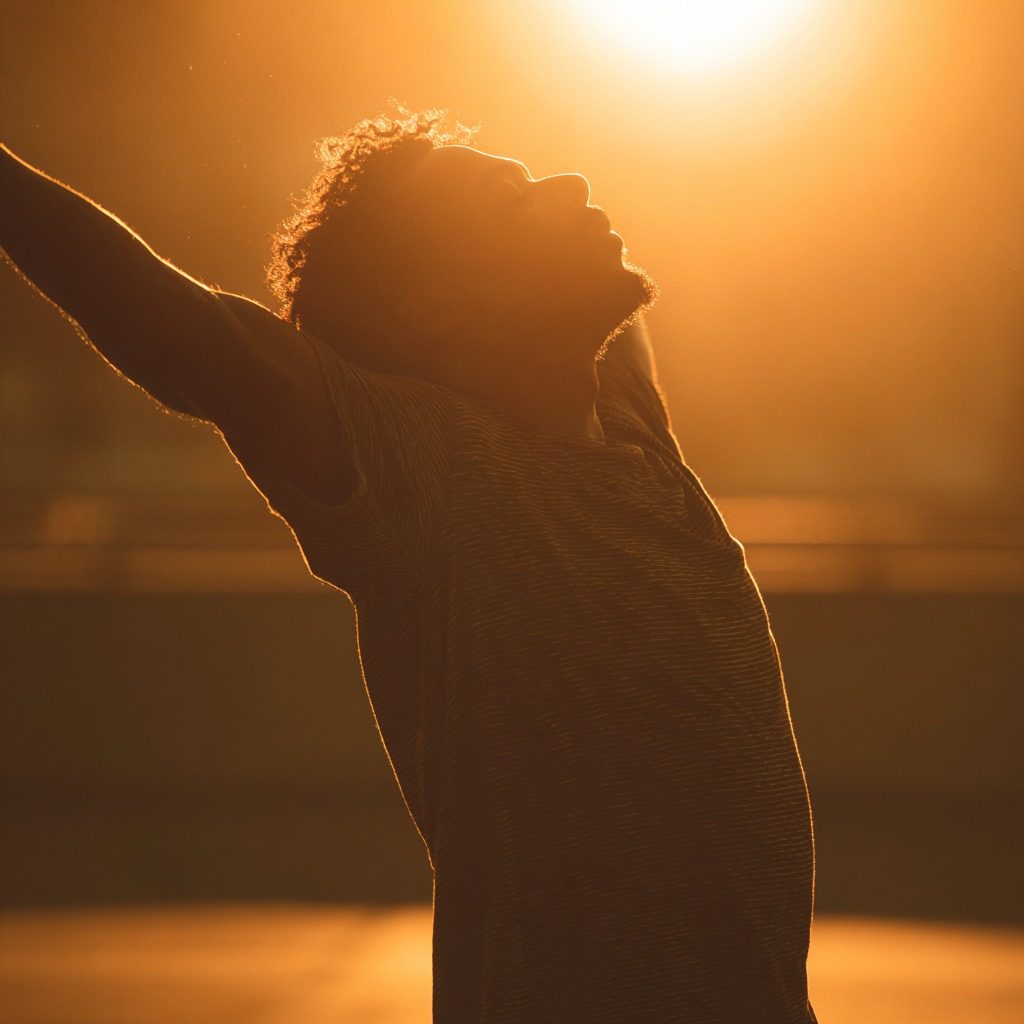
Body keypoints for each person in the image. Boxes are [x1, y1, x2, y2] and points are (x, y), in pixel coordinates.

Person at [1, 109, 817, 1023]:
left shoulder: (632, 430)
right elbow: (165, 321)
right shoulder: (421, 470)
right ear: (436, 306)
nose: (573, 184)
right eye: (511, 200)